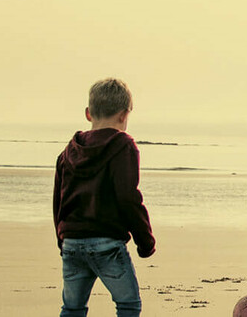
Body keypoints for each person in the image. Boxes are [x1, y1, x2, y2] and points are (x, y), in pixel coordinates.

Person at [54, 78, 158, 317]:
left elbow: (58, 200)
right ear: (124, 116)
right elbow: (128, 197)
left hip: (72, 241)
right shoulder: (123, 145)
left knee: (72, 308)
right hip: (107, 244)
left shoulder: (68, 151)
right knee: (128, 305)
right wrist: (145, 241)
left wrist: (62, 237)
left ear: (89, 114)